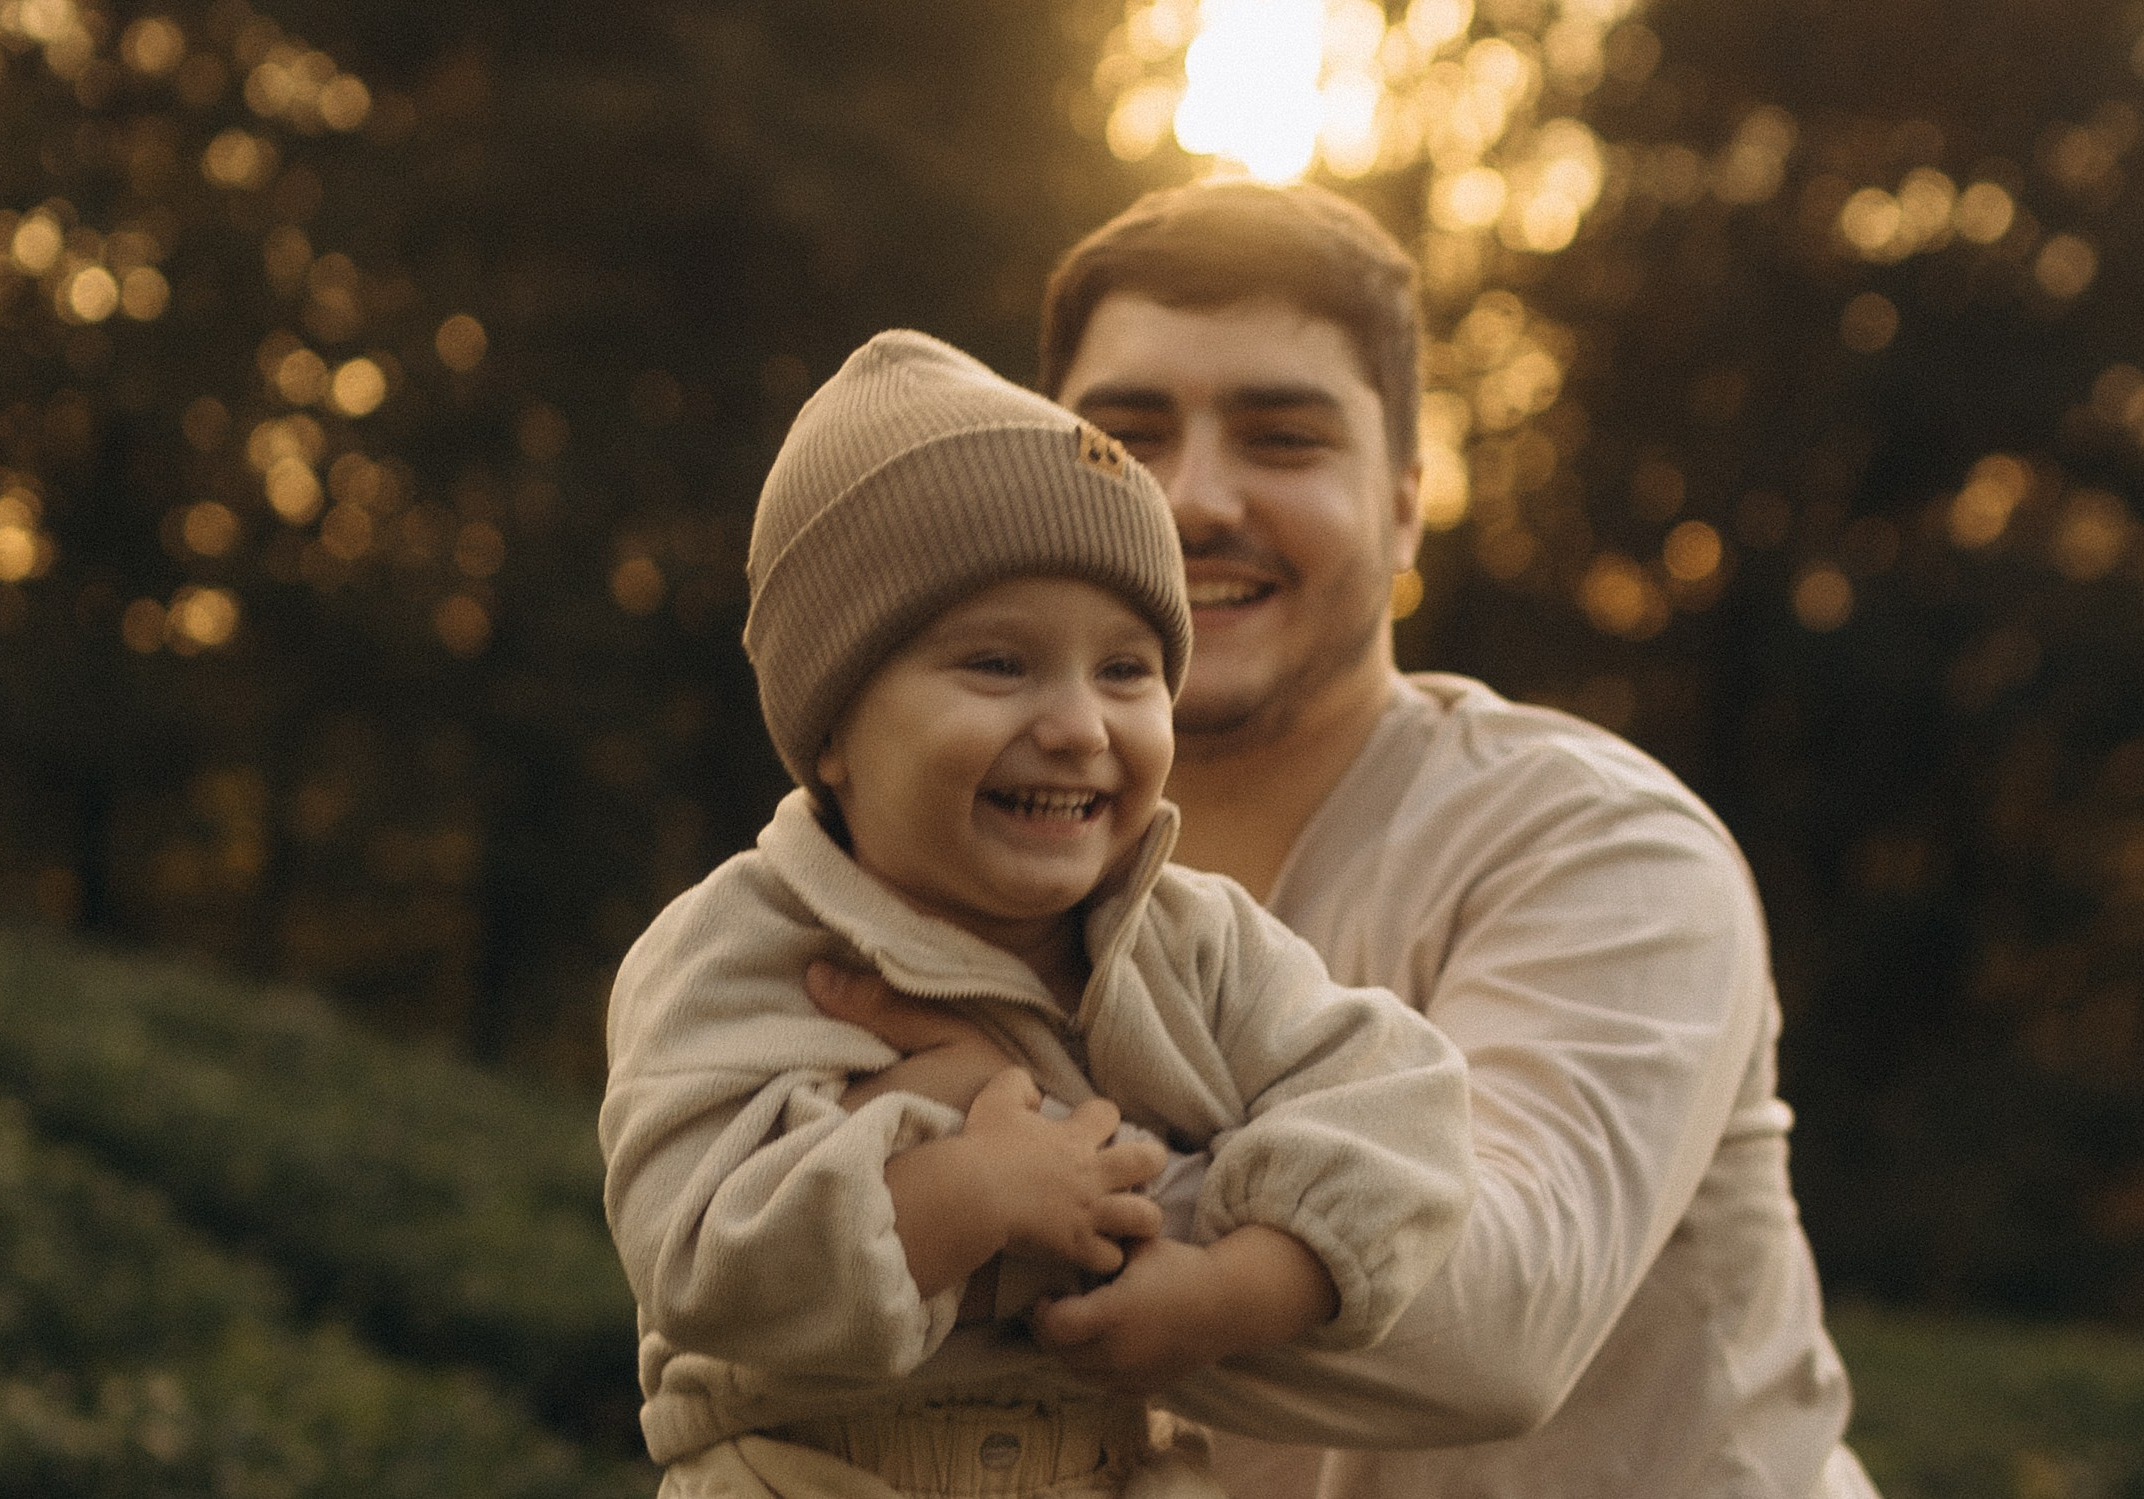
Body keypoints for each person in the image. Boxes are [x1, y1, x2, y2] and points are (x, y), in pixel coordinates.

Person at [806, 180, 1883, 1496]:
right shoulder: (966, 876)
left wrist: (984, 1169)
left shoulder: (1602, 847)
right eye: (1123, 436)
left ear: (1406, 504)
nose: (1191, 498)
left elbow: (1495, 1316)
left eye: (1283, 437)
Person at [598, 328, 1476, 1499]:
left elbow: (1400, 1108)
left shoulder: (1194, 940)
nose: (1079, 725)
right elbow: (698, 1253)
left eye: (1125, 671)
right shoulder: (743, 949)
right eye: (998, 665)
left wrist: (1231, 1290)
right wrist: (965, 1189)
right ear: (830, 732)